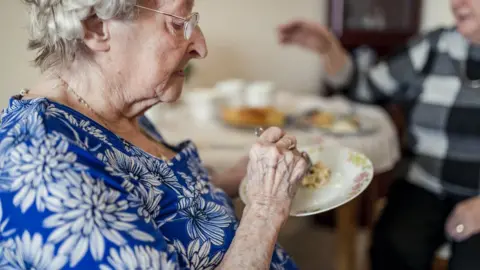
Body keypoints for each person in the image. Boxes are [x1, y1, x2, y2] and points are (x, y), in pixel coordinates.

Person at [0, 0, 310, 269]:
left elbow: (154, 197)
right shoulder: (46, 162)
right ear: (96, 28)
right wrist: (265, 208)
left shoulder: (114, 113)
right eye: (178, 24)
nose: (200, 47)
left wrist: (232, 179)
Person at [277, 0, 480, 269]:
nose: (457, 3)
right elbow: (365, 87)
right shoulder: (434, 45)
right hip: (425, 182)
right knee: (394, 248)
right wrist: (329, 48)